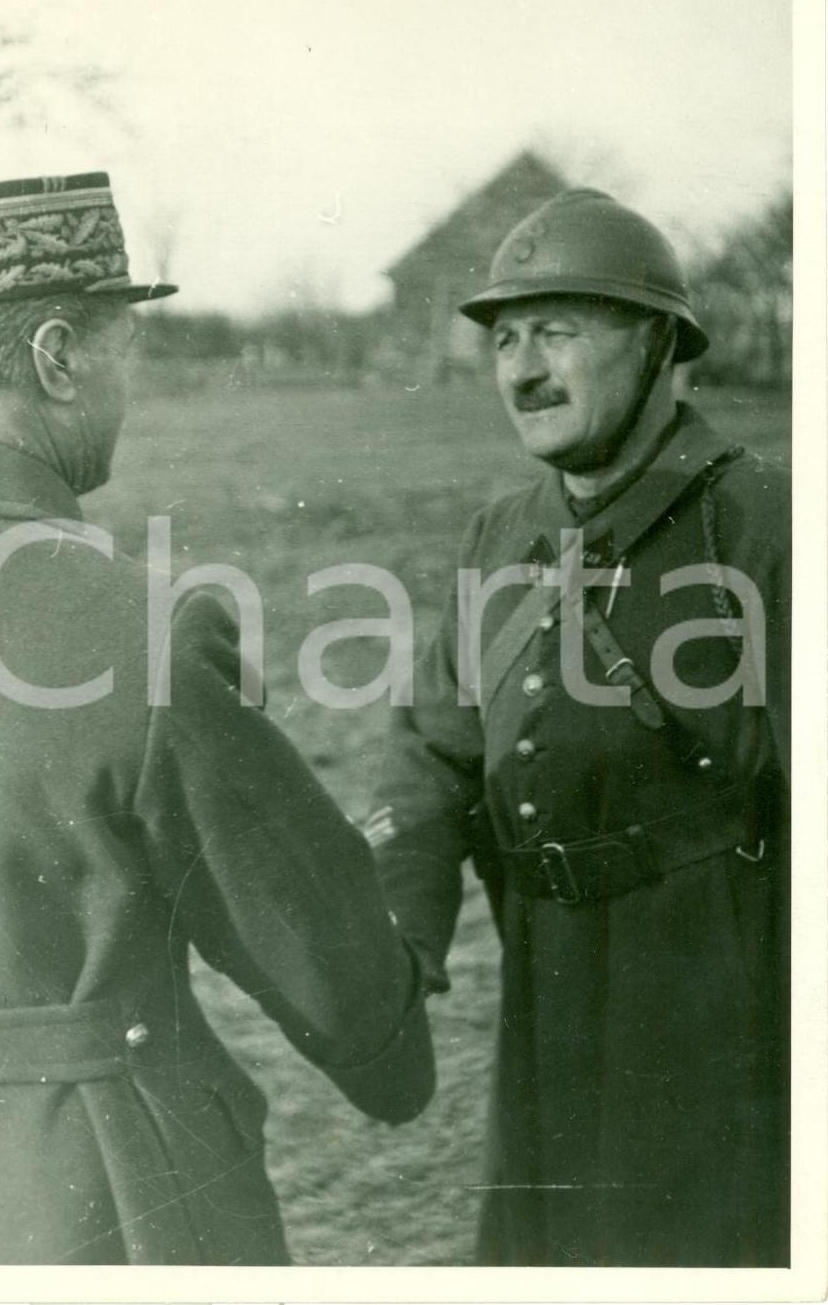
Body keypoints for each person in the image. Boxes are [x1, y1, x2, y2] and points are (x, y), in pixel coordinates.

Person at [0, 172, 433, 1265]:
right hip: (98, 1207)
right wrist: (392, 1035)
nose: (131, 378)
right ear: (54, 356)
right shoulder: (136, 627)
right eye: (123, 343)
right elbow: (334, 973)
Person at [367, 188, 789, 1267]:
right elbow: (430, 750)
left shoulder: (767, 526)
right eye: (505, 339)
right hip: (541, 992)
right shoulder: (500, 534)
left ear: (655, 342)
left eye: (556, 330)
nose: (522, 370)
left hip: (721, 1010)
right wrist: (399, 939)